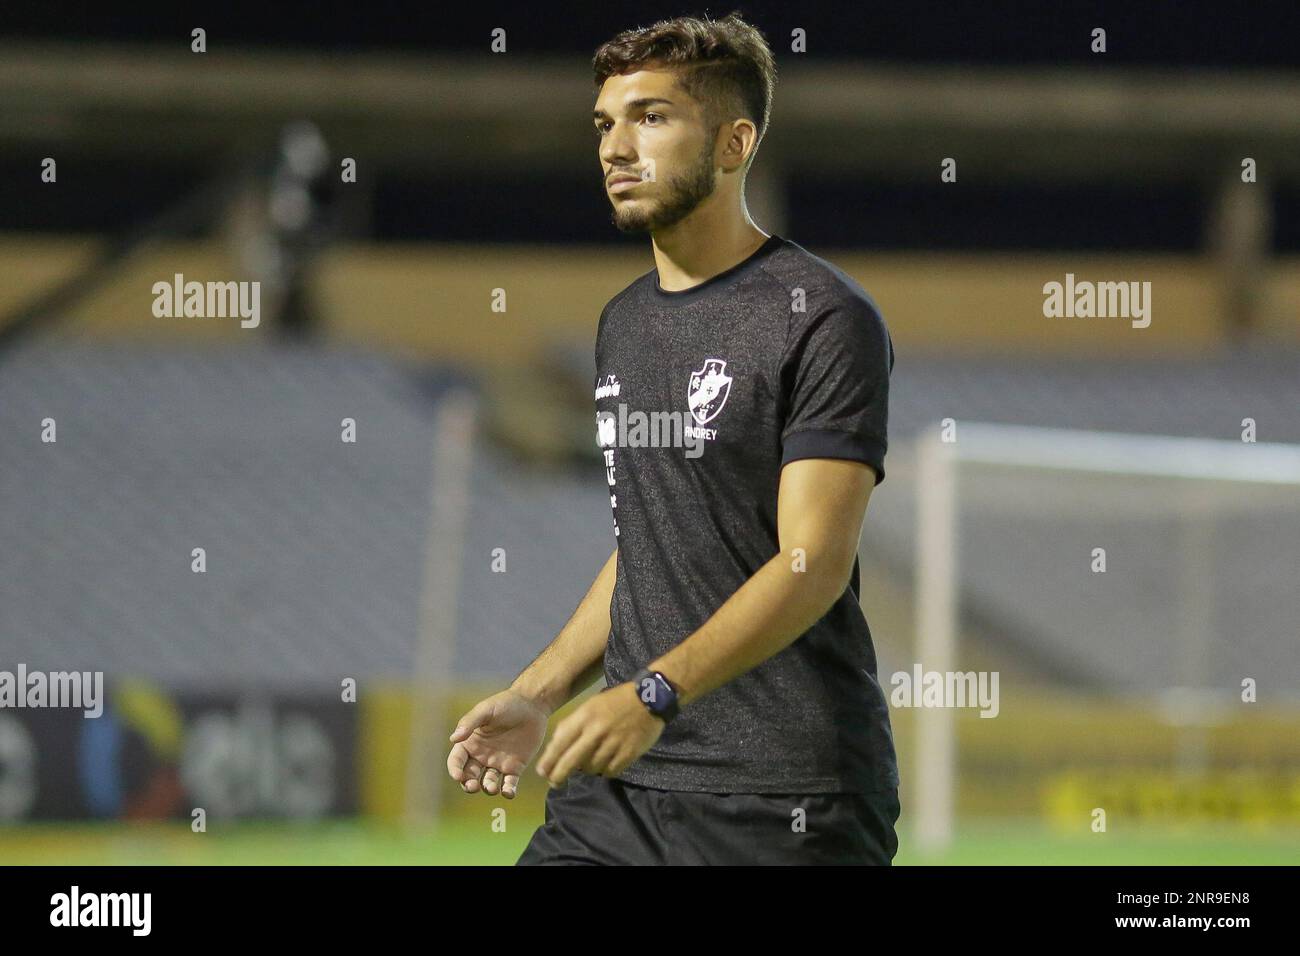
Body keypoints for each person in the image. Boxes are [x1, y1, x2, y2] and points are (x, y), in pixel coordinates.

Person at [447, 11, 900, 865]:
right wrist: (538, 692)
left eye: (651, 117)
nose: (616, 146)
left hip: (785, 799)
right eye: (605, 124)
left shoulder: (825, 318)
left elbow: (814, 564)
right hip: (620, 795)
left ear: (734, 143)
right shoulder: (624, 324)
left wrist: (653, 693)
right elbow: (647, 542)